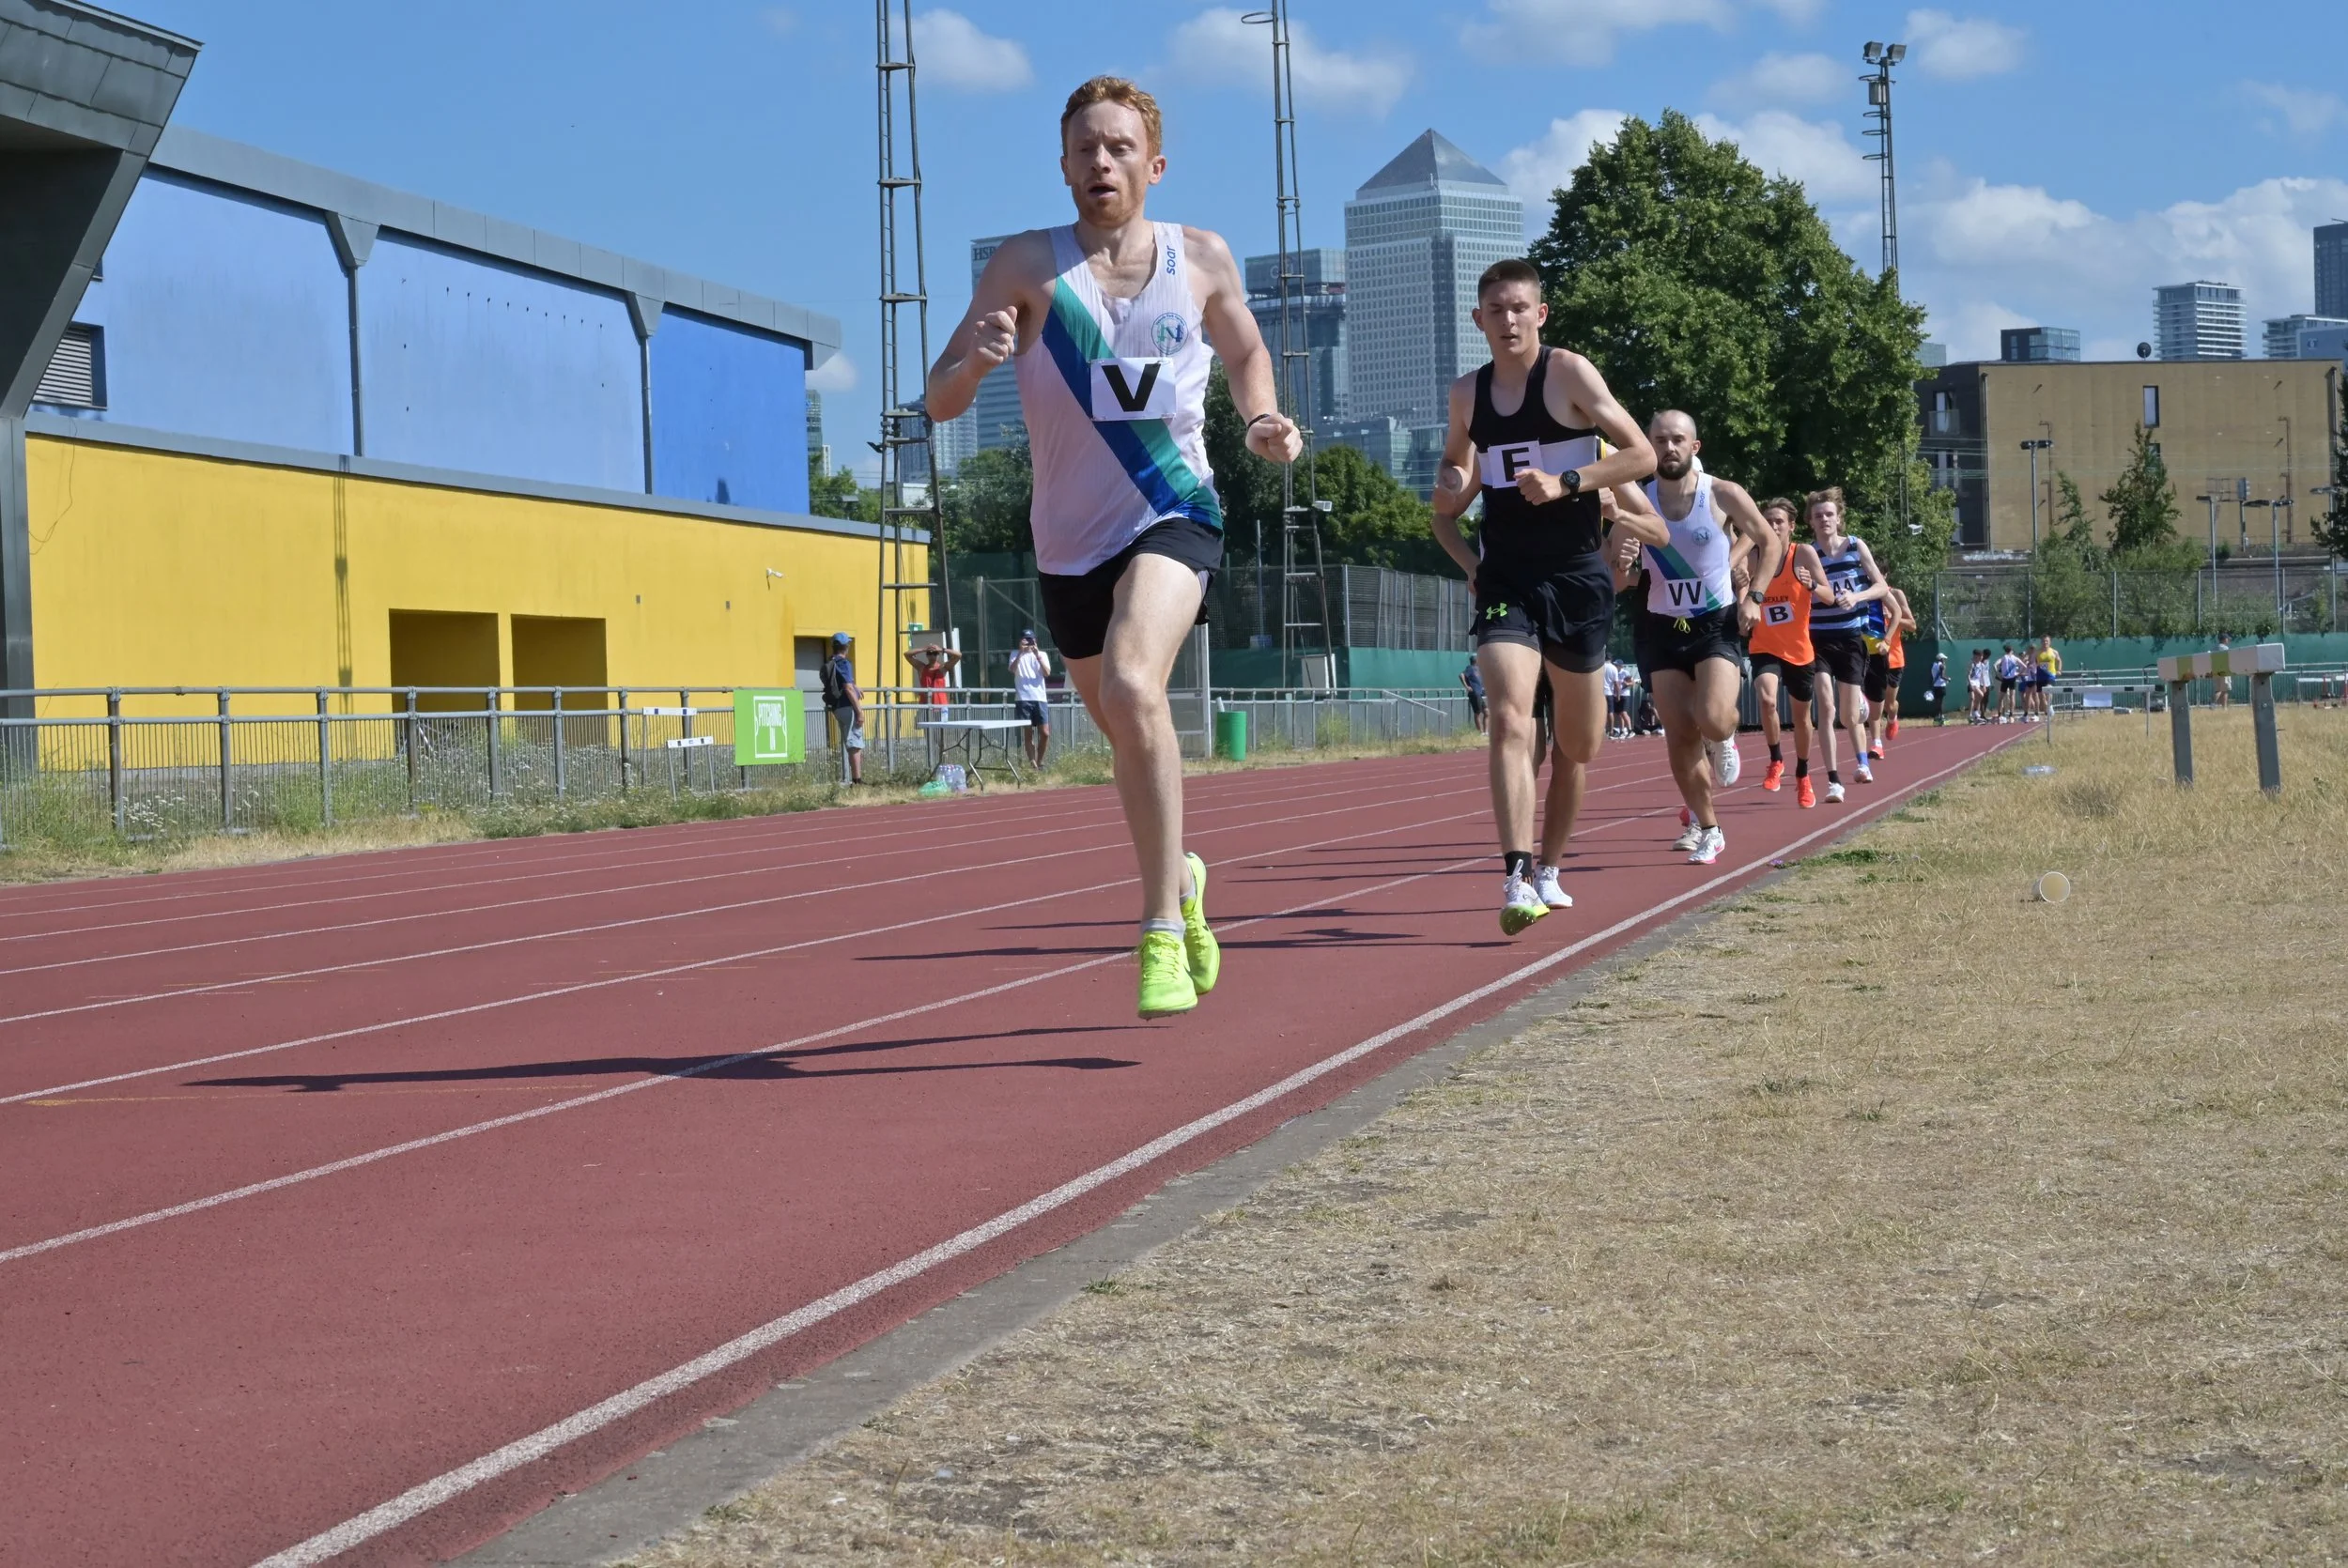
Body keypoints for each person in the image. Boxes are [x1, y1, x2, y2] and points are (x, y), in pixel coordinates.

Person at [925, 76, 1299, 1019]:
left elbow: (1246, 352)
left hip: (1174, 510)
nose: (1102, 162)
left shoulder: (1200, 256)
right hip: (1068, 546)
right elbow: (938, 397)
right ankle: (1184, 876)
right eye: (1085, 148)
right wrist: (978, 359)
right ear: (1062, 166)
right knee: (1127, 733)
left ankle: (1159, 930)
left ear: (1154, 165)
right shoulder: (1026, 265)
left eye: (1120, 147)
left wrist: (1261, 417)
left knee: (1136, 685)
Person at [1429, 256, 1661, 934]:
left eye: (1519, 308)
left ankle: (1552, 865)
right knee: (1509, 719)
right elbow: (1453, 471)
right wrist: (1456, 503)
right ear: (1478, 319)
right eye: (1496, 310)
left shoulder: (1568, 374)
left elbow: (1642, 454)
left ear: (1540, 314)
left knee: (1577, 747)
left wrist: (1569, 483)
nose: (1508, 320)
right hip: (1507, 578)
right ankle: (1516, 872)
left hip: (1577, 578)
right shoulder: (1467, 394)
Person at [1619, 412, 1780, 865]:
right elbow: (1615, 575)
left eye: (1677, 439)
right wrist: (1622, 559)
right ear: (1647, 445)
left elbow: (1769, 541)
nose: (1668, 447)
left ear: (1695, 446)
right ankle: (1709, 828)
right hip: (1660, 627)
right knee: (1679, 734)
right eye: (1659, 440)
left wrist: (1756, 597)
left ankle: (1724, 737)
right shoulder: (1636, 498)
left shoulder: (1722, 493)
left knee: (1712, 718)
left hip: (1714, 622)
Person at [1748, 496, 1833, 807]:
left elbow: (1829, 596)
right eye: (1768, 521)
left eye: (1779, 521)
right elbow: (1743, 593)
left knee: (1802, 718)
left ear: (1791, 526)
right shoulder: (1754, 557)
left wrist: (1811, 585)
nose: (1773, 526)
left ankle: (1803, 774)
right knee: (1766, 698)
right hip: (1764, 644)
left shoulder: (1804, 554)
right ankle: (1775, 759)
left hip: (1798, 649)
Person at [1804, 489, 1890, 800]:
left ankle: (1863, 763)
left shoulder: (1855, 546)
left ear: (1839, 518)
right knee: (1826, 708)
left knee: (1847, 716)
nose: (1824, 519)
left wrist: (1856, 596)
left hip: (1851, 637)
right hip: (1817, 638)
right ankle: (1833, 781)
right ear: (1810, 521)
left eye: (1829, 514)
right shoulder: (1808, 554)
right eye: (1818, 515)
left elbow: (1881, 586)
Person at [1869, 585, 1916, 758]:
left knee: (1889, 704)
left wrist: (1891, 617)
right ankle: (1876, 744)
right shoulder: (1863, 593)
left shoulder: (1895, 594)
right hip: (1872, 656)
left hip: (1894, 659)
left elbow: (1912, 625)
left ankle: (1892, 718)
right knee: (1874, 703)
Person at [819, 631, 865, 785]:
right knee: (855, 744)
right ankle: (857, 780)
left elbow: (845, 683)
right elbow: (847, 688)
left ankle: (855, 779)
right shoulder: (844, 663)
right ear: (846, 646)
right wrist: (859, 711)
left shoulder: (831, 662)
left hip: (837, 707)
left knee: (850, 742)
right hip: (847, 706)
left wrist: (854, 685)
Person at [1009, 630, 1054, 768]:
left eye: (1031, 640)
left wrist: (1037, 654)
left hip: (1040, 698)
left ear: (1035, 641)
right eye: (1026, 639)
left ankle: (1039, 761)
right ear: (1020, 640)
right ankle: (1032, 764)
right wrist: (1020, 653)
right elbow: (1012, 669)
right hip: (1023, 698)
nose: (1028, 642)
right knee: (1028, 733)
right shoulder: (1015, 654)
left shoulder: (1042, 654)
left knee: (1045, 733)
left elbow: (1047, 673)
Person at [907, 640, 961, 708]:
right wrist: (924, 649)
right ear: (927, 655)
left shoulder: (943, 668)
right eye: (929, 653)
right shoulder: (922, 668)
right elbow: (907, 655)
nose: (932, 656)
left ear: (938, 655)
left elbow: (958, 655)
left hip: (941, 706)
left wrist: (941, 649)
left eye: (935, 653)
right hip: (925, 705)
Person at [2033, 634, 2062, 719]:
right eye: (2043, 641)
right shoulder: (2037, 652)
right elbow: (2033, 662)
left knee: (2049, 690)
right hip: (2040, 676)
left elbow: (2059, 661)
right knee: (2042, 697)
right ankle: (2048, 711)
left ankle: (2050, 706)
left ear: (2050, 642)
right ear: (2041, 642)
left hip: (2050, 675)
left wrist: (2059, 670)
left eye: (2047, 641)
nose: (2045, 642)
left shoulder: (2054, 652)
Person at [1995, 643, 2024, 722]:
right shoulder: (2015, 658)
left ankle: (1999, 715)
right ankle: (2011, 715)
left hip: (2005, 679)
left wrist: (1998, 674)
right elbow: (2024, 666)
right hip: (2012, 679)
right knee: (2012, 697)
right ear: (2012, 651)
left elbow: (1995, 665)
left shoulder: (2004, 657)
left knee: (2000, 698)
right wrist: (2019, 674)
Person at [1460, 656, 1489, 735]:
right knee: (1477, 713)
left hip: (1479, 693)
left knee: (1487, 712)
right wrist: (1466, 686)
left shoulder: (1478, 669)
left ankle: (1486, 732)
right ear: (1476, 661)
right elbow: (1461, 675)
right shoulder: (1470, 668)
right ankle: (1480, 733)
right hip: (1474, 693)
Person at [1968, 648, 1992, 724]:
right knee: (1975, 697)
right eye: (1980, 656)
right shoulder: (1972, 664)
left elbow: (1982, 675)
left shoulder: (1981, 665)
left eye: (1982, 656)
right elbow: (1968, 675)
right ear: (1977, 656)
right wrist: (1970, 684)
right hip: (1972, 682)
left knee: (1977, 697)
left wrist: (1984, 685)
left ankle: (1975, 714)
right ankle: (1972, 713)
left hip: (1977, 683)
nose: (1982, 657)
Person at [1925, 649, 1949, 726]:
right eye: (1944, 659)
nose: (1945, 660)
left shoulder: (1933, 665)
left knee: (1937, 702)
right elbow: (1942, 676)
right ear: (1941, 659)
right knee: (1941, 702)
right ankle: (1941, 717)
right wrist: (1948, 679)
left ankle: (1937, 716)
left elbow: (1932, 676)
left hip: (1935, 686)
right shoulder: (1942, 666)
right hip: (1941, 686)